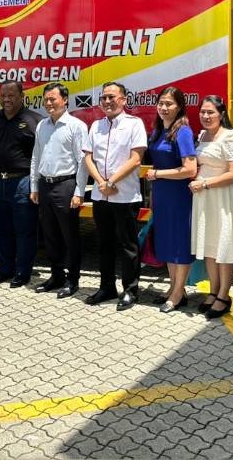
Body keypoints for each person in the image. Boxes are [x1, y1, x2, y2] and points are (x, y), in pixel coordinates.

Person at [83, 81, 148, 310]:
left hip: (125, 196)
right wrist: (101, 183)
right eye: (104, 98)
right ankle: (106, 287)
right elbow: (88, 158)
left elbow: (136, 159)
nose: (108, 101)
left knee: (128, 245)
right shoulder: (96, 126)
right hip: (101, 196)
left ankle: (130, 290)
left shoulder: (134, 124)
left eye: (112, 97)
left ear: (124, 100)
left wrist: (112, 181)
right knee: (104, 244)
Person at [30, 83, 89, 299]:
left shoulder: (76, 126)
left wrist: (79, 192)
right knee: (50, 235)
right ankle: (56, 276)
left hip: (66, 185)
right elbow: (36, 156)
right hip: (45, 185)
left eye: (53, 99)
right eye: (46, 99)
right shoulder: (42, 125)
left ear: (65, 100)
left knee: (69, 236)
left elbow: (82, 161)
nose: (48, 103)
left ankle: (72, 280)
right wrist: (34, 186)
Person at [190, 95, 233, 320]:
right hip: (203, 198)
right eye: (203, 112)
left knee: (224, 247)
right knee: (210, 246)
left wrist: (204, 183)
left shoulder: (230, 136)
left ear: (222, 114)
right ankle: (213, 291)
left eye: (210, 112)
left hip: (221, 196)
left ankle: (224, 295)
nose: (205, 116)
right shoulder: (202, 135)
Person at [143, 86, 197, 313]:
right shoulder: (158, 130)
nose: (164, 108)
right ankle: (175, 288)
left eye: (170, 104)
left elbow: (190, 169)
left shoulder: (182, 131)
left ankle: (177, 293)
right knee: (166, 241)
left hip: (178, 195)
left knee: (179, 243)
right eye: (161, 103)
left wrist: (158, 174)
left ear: (179, 107)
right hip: (162, 195)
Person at [0, 81, 44, 288]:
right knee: (0, 230)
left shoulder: (35, 121)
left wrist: (35, 185)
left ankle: (22, 272)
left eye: (11, 95)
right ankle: (5, 269)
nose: (7, 99)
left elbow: (40, 155)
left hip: (22, 181)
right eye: (3, 95)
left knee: (24, 230)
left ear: (22, 96)